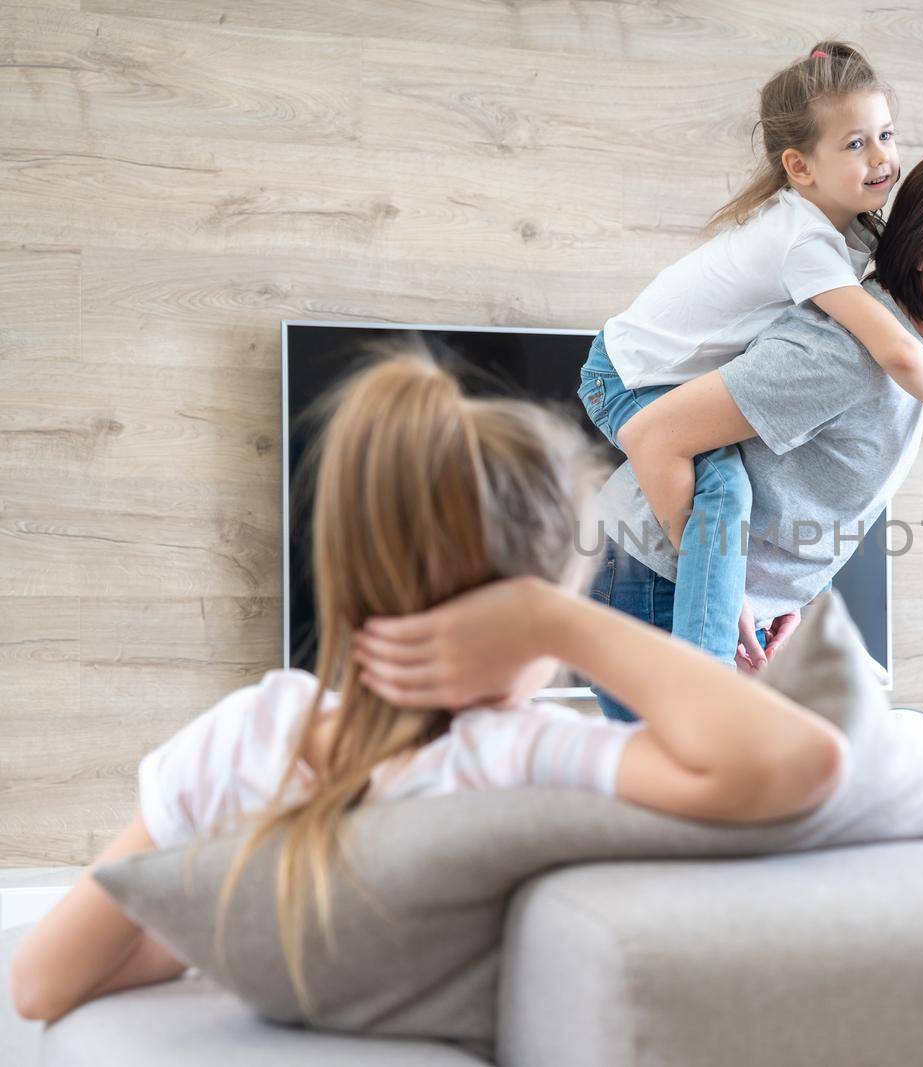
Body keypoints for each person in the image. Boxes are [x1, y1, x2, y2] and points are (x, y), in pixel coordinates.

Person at [8, 345, 847, 1024]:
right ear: (536, 600)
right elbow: (805, 762)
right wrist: (562, 622)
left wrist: (223, 937)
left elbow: (39, 984)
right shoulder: (518, 754)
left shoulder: (250, 733)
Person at [368, 142, 923, 723]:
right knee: (699, 797)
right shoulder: (844, 356)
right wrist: (722, 589)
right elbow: (656, 436)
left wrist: (791, 593)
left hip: (710, 584)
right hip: (656, 577)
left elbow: (794, 481)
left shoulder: (919, 349)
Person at [579, 40, 923, 676]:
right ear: (800, 166)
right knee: (720, 494)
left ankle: (715, 618)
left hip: (642, 377)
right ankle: (709, 662)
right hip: (627, 375)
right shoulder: (807, 246)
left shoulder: (847, 225)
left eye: (886, 134)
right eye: (856, 144)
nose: (883, 157)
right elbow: (896, 349)